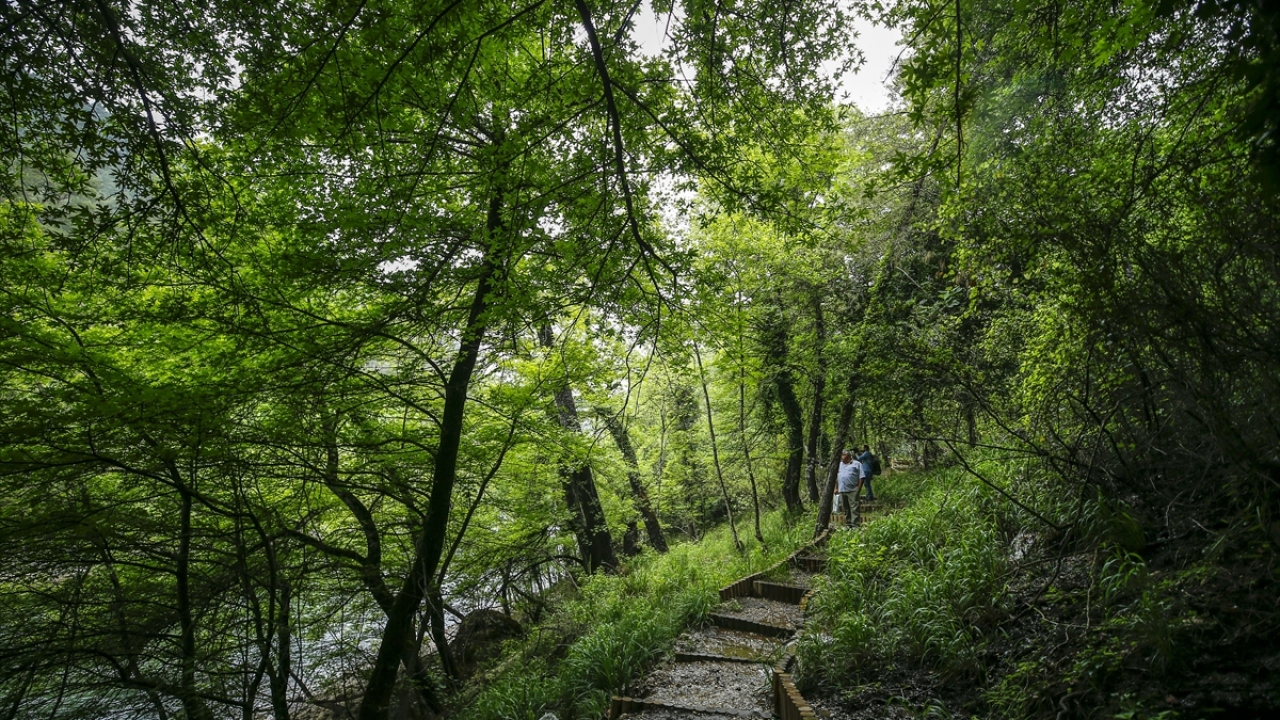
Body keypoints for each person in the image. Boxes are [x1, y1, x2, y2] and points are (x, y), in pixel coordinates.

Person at [836, 449, 859, 526]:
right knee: (845, 507)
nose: (841, 457)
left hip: (853, 489)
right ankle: (848, 524)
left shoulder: (857, 464)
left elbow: (861, 477)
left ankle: (855, 524)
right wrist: (836, 488)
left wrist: (858, 488)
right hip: (842, 489)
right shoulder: (839, 465)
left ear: (847, 456)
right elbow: (836, 477)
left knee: (854, 508)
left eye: (843, 455)